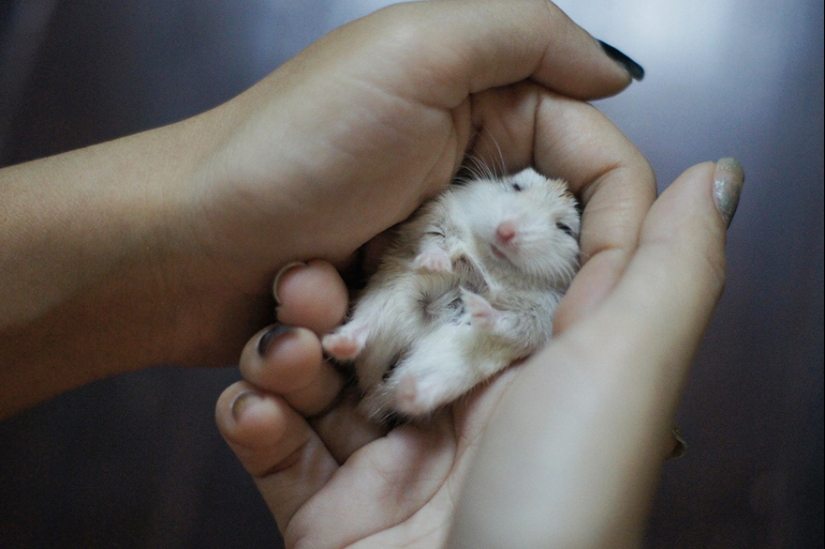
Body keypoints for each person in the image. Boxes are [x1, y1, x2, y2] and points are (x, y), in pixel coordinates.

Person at [0, 0, 743, 547]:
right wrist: (434, 249)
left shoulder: (554, 290)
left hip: (459, 351)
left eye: (556, 228)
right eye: (517, 191)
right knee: (396, 281)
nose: (516, 223)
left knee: (480, 344)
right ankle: (358, 335)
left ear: (573, 252)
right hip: (415, 290)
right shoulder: (471, 199)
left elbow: (525, 331)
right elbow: (435, 231)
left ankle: (415, 385)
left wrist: (496, 322)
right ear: (505, 180)